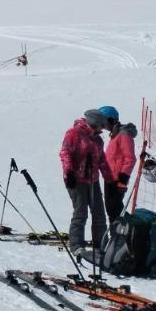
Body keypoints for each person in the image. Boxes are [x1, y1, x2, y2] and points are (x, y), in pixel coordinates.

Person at [60, 108, 108, 255]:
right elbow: (65, 153)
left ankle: (101, 245)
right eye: (101, 125)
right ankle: (76, 245)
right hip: (76, 180)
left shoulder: (98, 140)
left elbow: (102, 161)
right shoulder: (74, 133)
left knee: (99, 212)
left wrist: (111, 179)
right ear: (94, 123)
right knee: (81, 212)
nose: (103, 128)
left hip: (92, 180)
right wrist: (69, 172)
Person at [99, 105, 137, 224]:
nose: (103, 125)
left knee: (114, 210)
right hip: (110, 178)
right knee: (112, 210)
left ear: (110, 120)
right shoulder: (115, 134)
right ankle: (117, 236)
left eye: (104, 121)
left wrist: (123, 180)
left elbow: (130, 158)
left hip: (117, 180)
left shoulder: (124, 135)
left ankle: (122, 235)